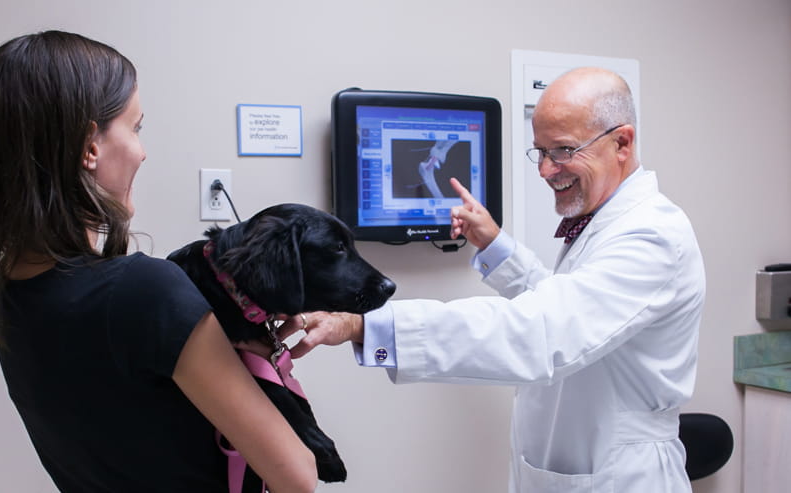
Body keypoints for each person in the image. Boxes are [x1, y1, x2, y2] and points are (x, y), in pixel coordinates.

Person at [286, 67, 706, 492]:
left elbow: (543, 332)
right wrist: (494, 246)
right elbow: (566, 308)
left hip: (620, 476)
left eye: (561, 150)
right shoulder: (604, 223)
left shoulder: (651, 236)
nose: (545, 170)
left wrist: (365, 324)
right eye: (539, 151)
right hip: (573, 464)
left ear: (622, 142)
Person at [0, 30, 316, 493]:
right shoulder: (145, 290)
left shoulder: (7, 293)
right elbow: (298, 476)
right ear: (90, 145)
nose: (142, 150)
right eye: (135, 127)